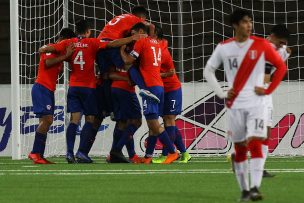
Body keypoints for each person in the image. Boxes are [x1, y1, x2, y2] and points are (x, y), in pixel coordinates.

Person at [204, 9, 287, 201]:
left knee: (256, 143)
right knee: (240, 148)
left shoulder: (261, 44)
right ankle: (244, 191)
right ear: (235, 25)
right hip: (234, 104)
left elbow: (281, 67)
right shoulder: (224, 48)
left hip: (256, 103)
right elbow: (208, 71)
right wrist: (221, 93)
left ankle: (256, 187)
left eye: (250, 21)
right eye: (244, 22)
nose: (248, 25)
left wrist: (268, 90)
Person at [39, 19, 146, 163]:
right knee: (91, 119)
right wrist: (131, 38)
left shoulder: (69, 42)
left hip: (74, 86)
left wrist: (44, 48)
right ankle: (83, 153)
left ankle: (70, 153)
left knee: (74, 120)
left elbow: (51, 48)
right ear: (88, 31)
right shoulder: (93, 42)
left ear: (76, 31)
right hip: (89, 87)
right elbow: (111, 44)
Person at [120, 22, 179, 164]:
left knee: (153, 123)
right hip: (159, 85)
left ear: (141, 32)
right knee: (152, 122)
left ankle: (172, 152)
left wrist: (122, 50)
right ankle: (148, 156)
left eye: (135, 33)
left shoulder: (142, 42)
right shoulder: (158, 44)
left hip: (150, 88)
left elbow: (128, 61)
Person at [28, 28, 76, 164]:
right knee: (48, 120)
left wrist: (66, 56)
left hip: (47, 89)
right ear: (63, 40)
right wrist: (65, 55)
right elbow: (47, 63)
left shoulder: (58, 51)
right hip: (42, 87)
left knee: (44, 121)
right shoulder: (51, 48)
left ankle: (39, 155)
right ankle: (35, 152)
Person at [97, 5, 159, 104]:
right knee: (128, 63)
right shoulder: (136, 19)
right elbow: (151, 26)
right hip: (113, 43)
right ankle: (144, 88)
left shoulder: (122, 16)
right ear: (142, 17)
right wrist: (150, 41)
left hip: (99, 45)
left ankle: (108, 108)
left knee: (105, 75)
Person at [151, 25, 191, 164]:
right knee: (168, 122)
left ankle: (166, 154)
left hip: (172, 88)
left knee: (169, 119)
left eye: (150, 34)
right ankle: (185, 153)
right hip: (162, 89)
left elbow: (171, 72)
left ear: (156, 36)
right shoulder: (153, 48)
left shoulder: (162, 50)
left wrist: (154, 74)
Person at [107, 66, 142, 163]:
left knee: (122, 123)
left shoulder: (115, 54)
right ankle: (116, 150)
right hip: (126, 90)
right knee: (136, 121)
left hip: (115, 89)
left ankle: (118, 155)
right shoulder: (133, 55)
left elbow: (110, 74)